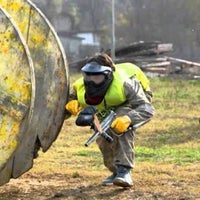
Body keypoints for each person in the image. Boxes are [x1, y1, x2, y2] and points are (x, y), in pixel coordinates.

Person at [65, 53, 154, 187]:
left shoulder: (125, 83)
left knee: (119, 126)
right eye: (88, 76)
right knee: (102, 137)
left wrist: (128, 119)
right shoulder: (79, 86)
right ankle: (115, 171)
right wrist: (71, 103)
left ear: (108, 75)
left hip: (131, 101)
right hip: (106, 105)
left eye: (97, 77)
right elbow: (67, 99)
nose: (91, 81)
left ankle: (124, 171)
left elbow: (146, 108)